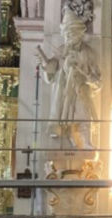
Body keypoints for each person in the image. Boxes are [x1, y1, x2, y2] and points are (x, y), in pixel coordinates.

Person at [37, 11, 102, 150]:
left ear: (79, 34)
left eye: (71, 34)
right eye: (66, 35)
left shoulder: (88, 53)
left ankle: (86, 142)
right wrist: (46, 67)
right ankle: (68, 141)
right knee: (66, 117)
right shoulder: (61, 51)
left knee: (83, 115)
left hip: (81, 90)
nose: (68, 38)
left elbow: (97, 80)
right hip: (64, 91)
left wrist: (88, 77)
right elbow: (51, 75)